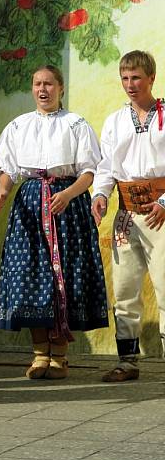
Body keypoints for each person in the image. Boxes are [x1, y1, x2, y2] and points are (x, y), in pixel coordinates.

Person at [0, 65, 107, 380]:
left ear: (61, 88)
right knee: (31, 276)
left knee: (65, 275)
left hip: (66, 206)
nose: (42, 90)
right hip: (30, 204)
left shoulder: (76, 125)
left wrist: (69, 195)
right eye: (37, 84)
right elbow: (7, 169)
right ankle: (39, 355)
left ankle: (60, 357)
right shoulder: (18, 126)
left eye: (49, 84)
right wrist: (4, 189)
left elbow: (89, 172)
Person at [92, 50, 165, 383]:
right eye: (124, 78)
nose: (130, 84)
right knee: (124, 290)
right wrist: (100, 195)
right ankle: (127, 361)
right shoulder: (115, 120)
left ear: (151, 78)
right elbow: (106, 166)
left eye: (136, 77)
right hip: (127, 213)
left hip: (160, 214)